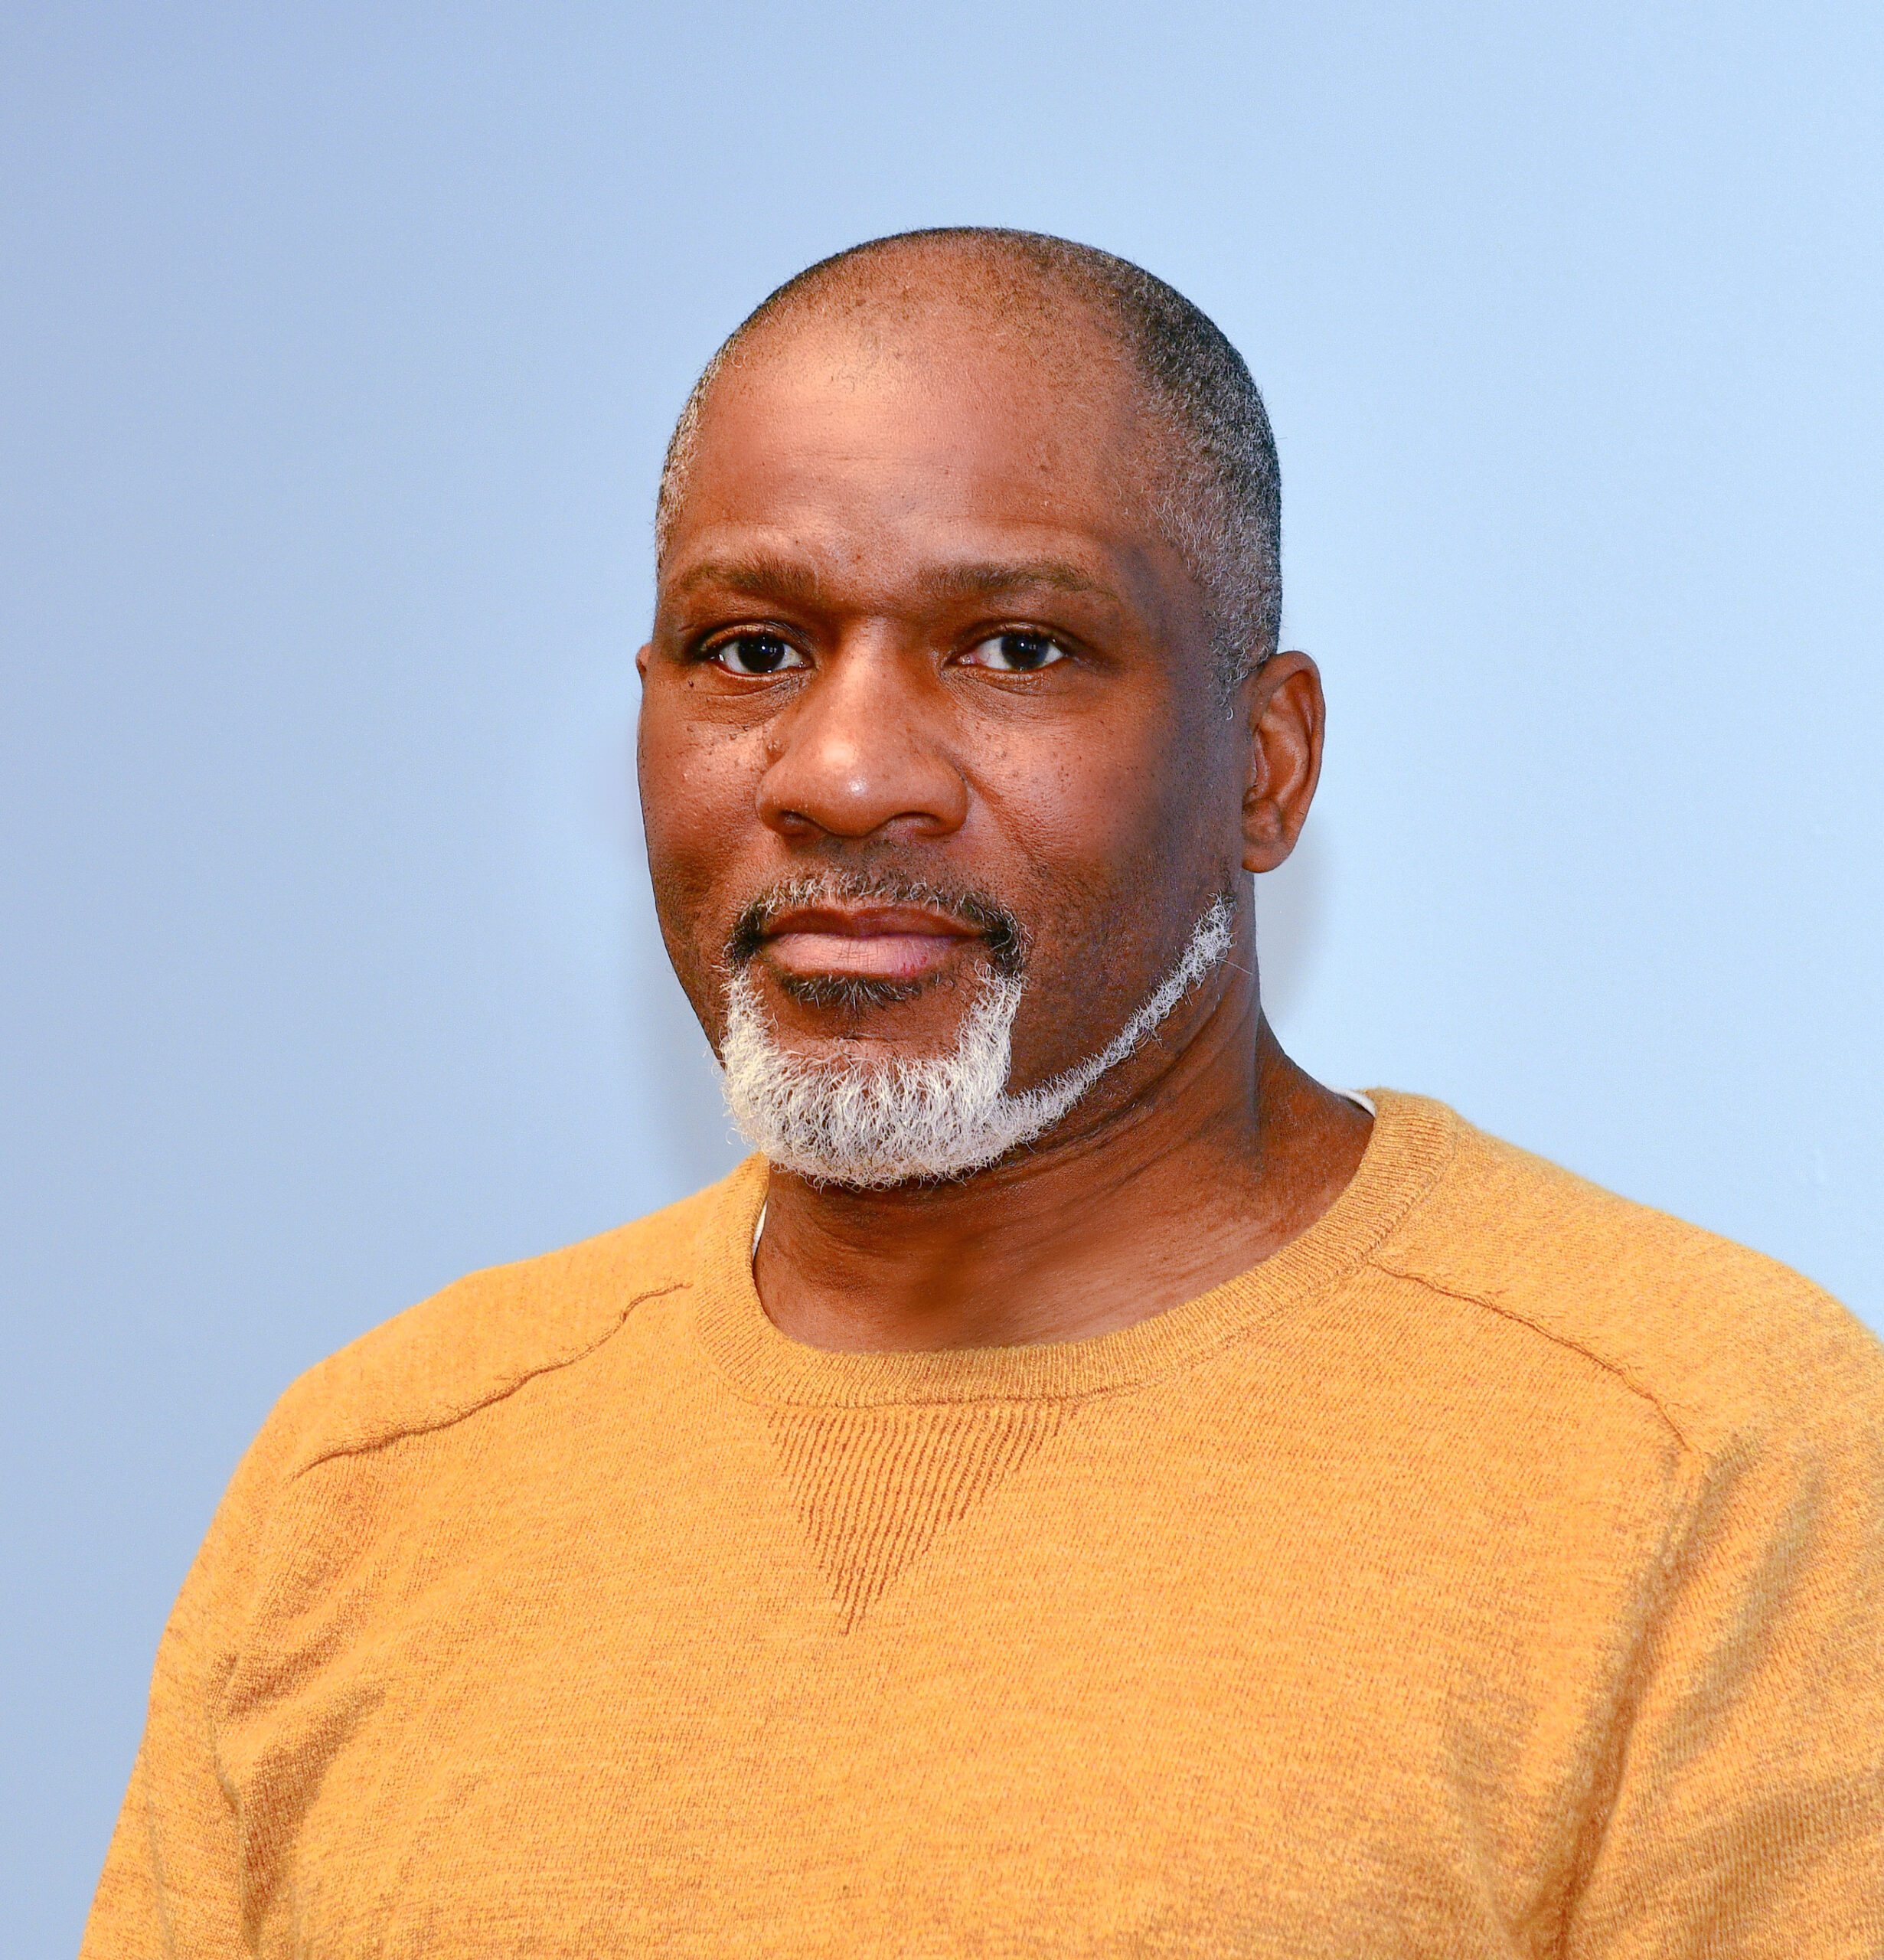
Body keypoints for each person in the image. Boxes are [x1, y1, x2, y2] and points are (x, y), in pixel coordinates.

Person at [84, 229, 1882, 1958]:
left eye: (1017, 646)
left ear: (1265, 764)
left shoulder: (1702, 1452)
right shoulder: (372, 1477)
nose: (845, 770)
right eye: (752, 649)